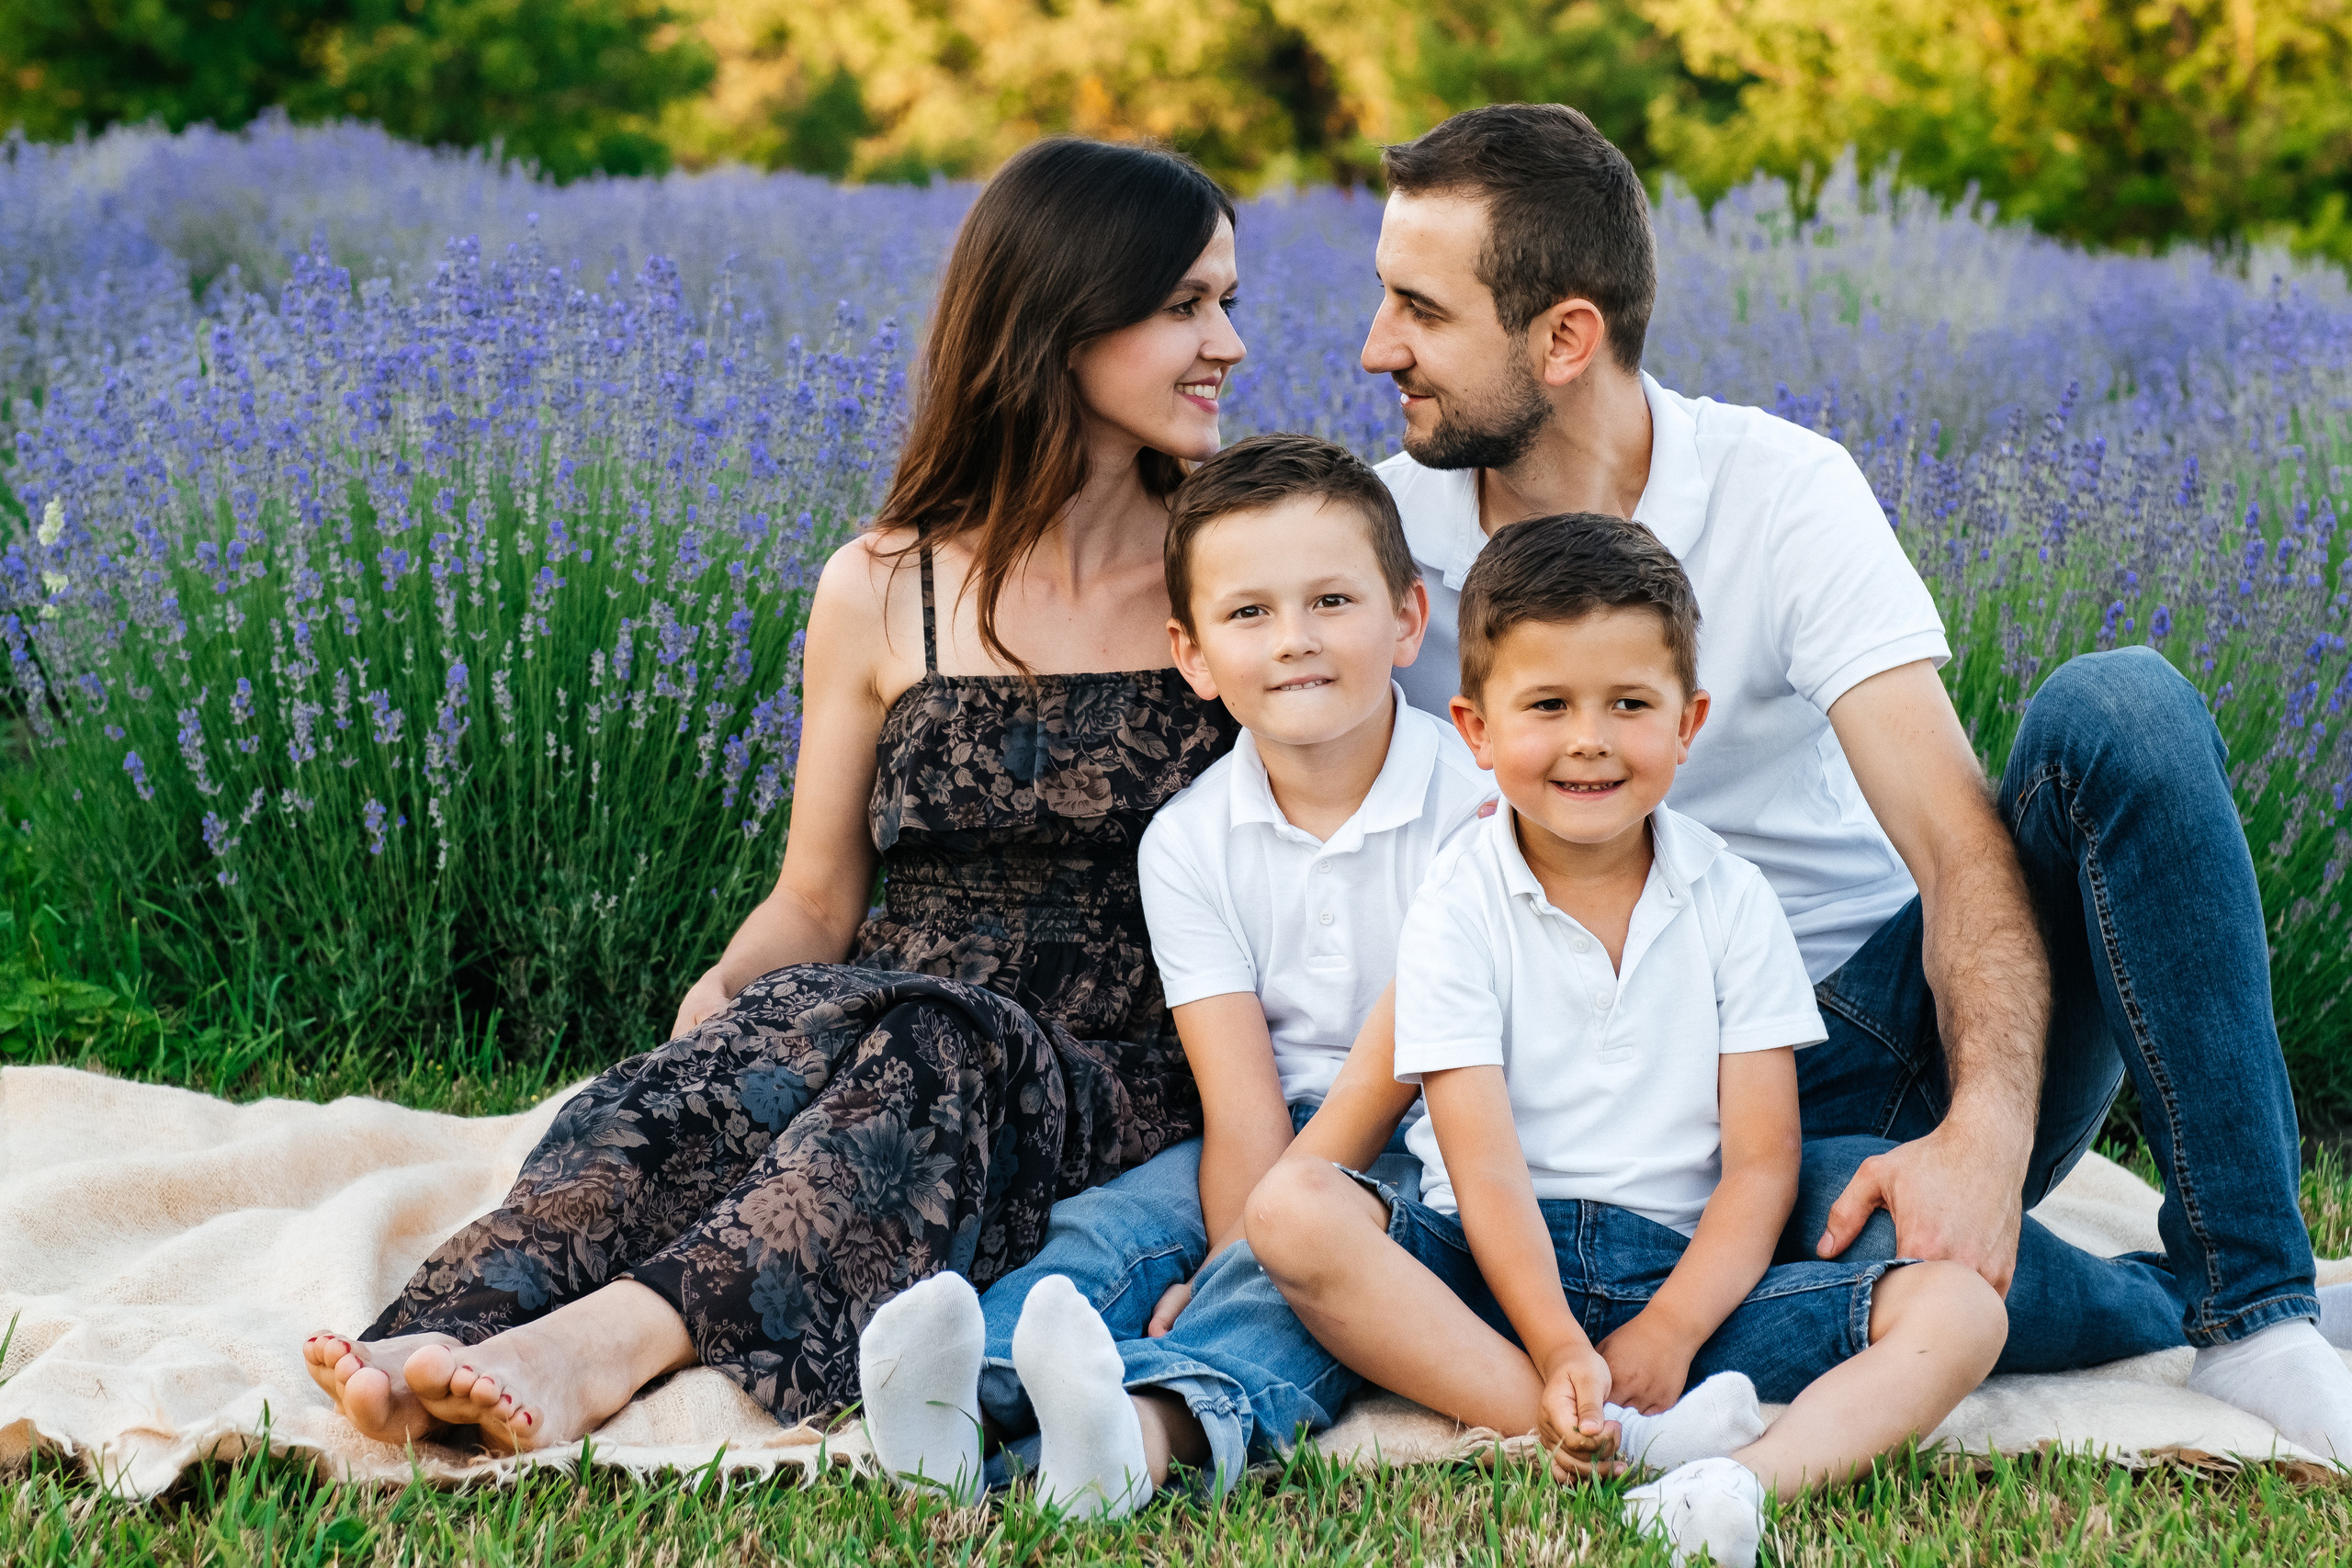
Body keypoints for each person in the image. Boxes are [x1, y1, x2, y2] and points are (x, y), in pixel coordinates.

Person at [1350, 101, 2352, 1459]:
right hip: (1607, 1137)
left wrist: (1986, 1138)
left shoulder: (1780, 491)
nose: (1373, 349)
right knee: (1863, 1252)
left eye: (1420, 309)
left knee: (2122, 704)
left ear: (1565, 338)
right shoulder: (1374, 543)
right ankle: (2153, 1303)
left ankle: (2261, 1315)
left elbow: (1957, 845)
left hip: (1861, 1044)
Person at [298, 135, 1248, 1451]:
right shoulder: (882, 581)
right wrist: (718, 1009)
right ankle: (445, 1319)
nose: (1229, 344)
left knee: (932, 1052)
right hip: (879, 1015)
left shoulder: (1236, 568)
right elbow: (817, 893)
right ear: (1062, 315)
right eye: (1187, 304)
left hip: (1102, 1069)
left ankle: (597, 1349)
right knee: (695, 1081)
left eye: (1229, 301)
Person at [859, 436, 1768, 1517]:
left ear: (1404, 622)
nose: (1293, 641)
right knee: (1115, 1231)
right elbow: (1241, 1101)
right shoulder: (1189, 842)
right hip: (1277, 1132)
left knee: (1276, 1294)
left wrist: (1249, 1254)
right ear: (1191, 654)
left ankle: (1144, 1429)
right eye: (1249, 615)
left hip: (1434, 1138)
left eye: (1330, 600)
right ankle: (973, 1395)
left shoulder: (1477, 802)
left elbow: (1401, 1071)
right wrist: (1224, 1230)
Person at [1250, 513, 2007, 1568]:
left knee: (1962, 1310)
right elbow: (1483, 1163)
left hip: (1688, 1274)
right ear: (1474, 727)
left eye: (1629, 705)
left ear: (1687, 720)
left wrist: (1674, 1330)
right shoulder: (1457, 902)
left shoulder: (1731, 898)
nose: (1590, 739)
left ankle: (1733, 1479)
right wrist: (1559, 1343)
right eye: (1548, 706)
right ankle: (1585, 1426)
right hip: (1482, 1272)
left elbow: (1759, 1164)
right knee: (1292, 1210)